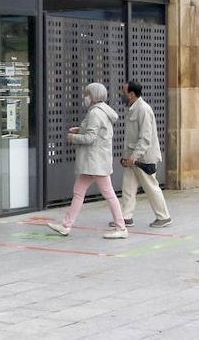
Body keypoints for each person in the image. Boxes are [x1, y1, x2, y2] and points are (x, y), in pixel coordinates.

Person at [48, 82, 127, 239]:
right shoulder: (101, 111)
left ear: (93, 96)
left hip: (95, 161)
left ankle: (121, 227)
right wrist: (80, 130)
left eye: (87, 94)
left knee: (108, 193)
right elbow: (96, 132)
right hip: (94, 161)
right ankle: (65, 225)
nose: (85, 97)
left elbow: (91, 138)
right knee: (79, 191)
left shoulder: (95, 113)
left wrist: (73, 137)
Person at [114, 81, 172, 228]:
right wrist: (129, 156)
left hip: (143, 159)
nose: (122, 96)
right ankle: (126, 217)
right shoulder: (133, 109)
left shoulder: (143, 110)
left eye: (124, 93)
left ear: (131, 94)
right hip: (132, 158)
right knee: (128, 187)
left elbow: (145, 138)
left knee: (151, 187)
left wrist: (134, 156)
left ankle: (164, 217)